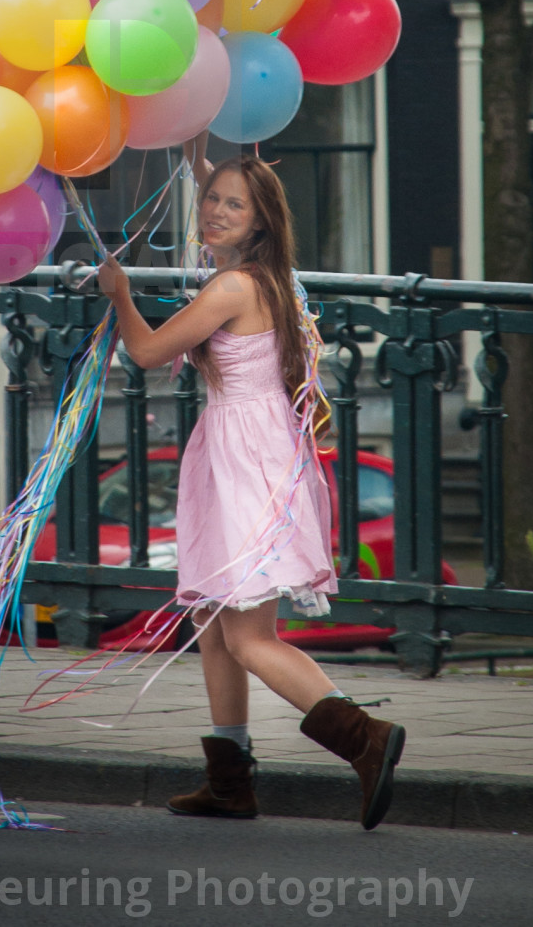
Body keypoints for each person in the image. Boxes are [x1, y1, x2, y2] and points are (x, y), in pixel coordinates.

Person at [98, 151, 405, 829]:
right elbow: (230, 190)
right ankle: (229, 781)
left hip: (244, 462)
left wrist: (119, 294)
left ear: (261, 219)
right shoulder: (277, 280)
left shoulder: (233, 288)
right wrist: (197, 155)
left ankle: (365, 739)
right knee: (213, 624)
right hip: (255, 452)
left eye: (233, 205)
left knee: (247, 636)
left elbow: (148, 354)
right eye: (210, 200)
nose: (214, 211)